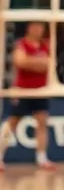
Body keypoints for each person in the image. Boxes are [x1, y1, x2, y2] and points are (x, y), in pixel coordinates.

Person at [0, 21, 55, 171]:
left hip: (41, 90)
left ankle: (42, 158)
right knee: (12, 122)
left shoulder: (47, 45)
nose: (39, 29)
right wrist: (39, 63)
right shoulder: (22, 44)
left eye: (41, 27)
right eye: (36, 26)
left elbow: (50, 64)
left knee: (42, 123)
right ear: (29, 28)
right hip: (23, 90)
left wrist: (33, 63)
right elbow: (21, 62)